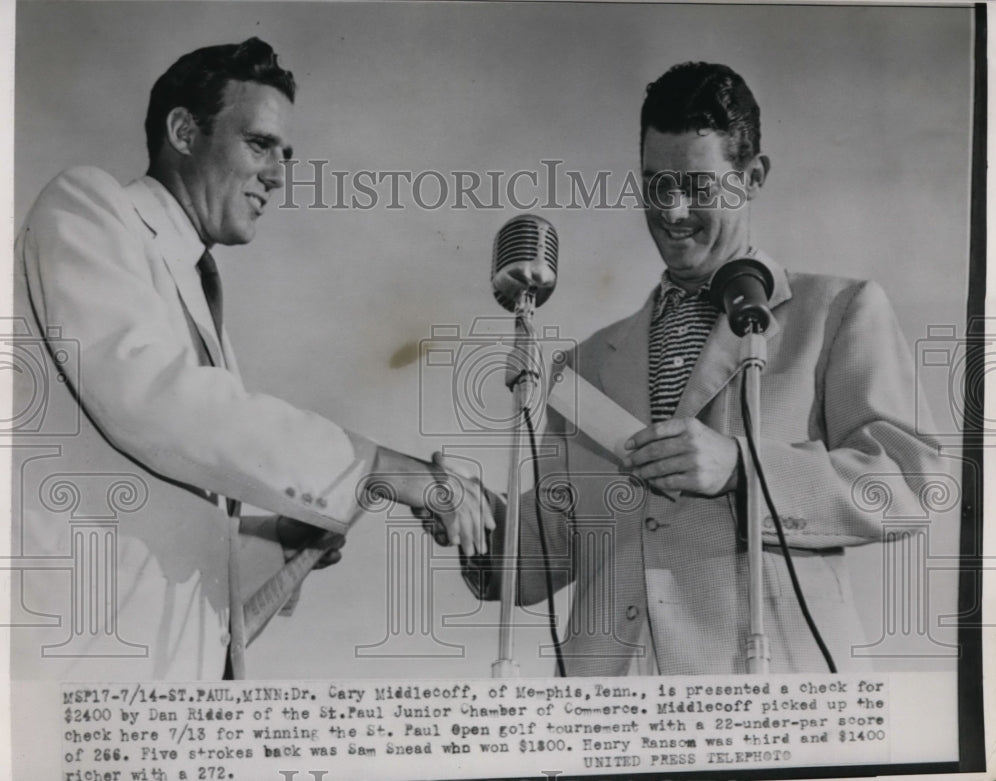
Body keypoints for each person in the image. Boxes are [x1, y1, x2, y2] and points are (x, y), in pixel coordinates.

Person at [11, 37, 491, 681]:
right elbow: (155, 401)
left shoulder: (195, 288)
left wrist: (297, 533)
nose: (278, 174)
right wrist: (373, 464)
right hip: (70, 678)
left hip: (168, 691)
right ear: (183, 131)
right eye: (259, 144)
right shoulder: (89, 206)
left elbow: (185, 547)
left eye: (285, 154)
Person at [459, 61, 946, 676]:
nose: (674, 209)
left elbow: (909, 485)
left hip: (770, 702)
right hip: (608, 723)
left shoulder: (839, 311)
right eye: (657, 184)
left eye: (698, 185)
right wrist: (466, 517)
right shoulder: (583, 365)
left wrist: (743, 468)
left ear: (752, 177)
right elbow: (548, 552)